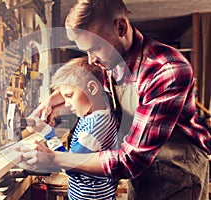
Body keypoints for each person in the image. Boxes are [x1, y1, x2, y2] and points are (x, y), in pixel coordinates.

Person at [19, 0, 211, 199]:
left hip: (178, 173)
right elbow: (87, 85)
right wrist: (51, 101)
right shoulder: (112, 61)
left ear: (121, 27)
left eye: (95, 48)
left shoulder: (165, 70)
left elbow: (130, 160)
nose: (91, 59)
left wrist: (54, 159)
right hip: (142, 175)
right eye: (86, 51)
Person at [28, 56, 119, 200]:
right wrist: (52, 106)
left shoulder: (92, 132)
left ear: (92, 88)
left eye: (70, 96)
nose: (67, 103)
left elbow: (70, 166)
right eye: (65, 98)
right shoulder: (101, 109)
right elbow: (84, 94)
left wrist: (47, 132)